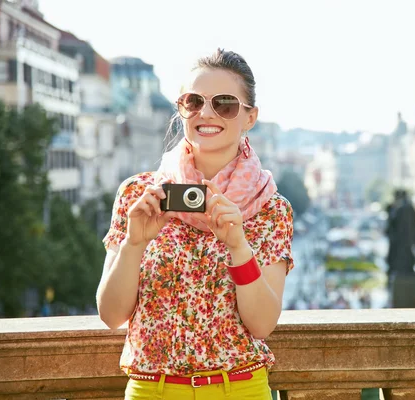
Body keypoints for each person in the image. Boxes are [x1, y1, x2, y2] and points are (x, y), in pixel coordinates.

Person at [96, 49, 294, 400]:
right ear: (181, 109)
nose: (207, 113)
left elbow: (263, 324)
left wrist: (238, 246)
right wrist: (134, 244)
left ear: (250, 116)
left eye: (225, 104)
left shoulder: (270, 208)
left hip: (240, 390)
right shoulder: (139, 194)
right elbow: (111, 315)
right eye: (193, 101)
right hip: (152, 390)